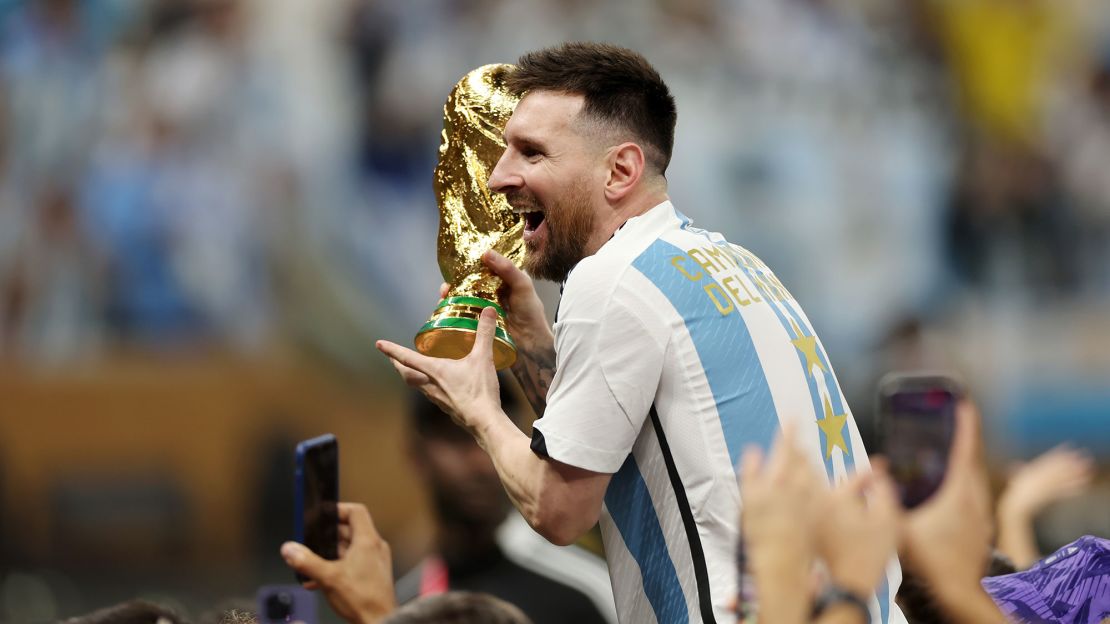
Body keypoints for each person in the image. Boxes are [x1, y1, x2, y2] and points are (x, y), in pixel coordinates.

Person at [376, 42, 905, 623]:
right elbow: (599, 436)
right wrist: (530, 336)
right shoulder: (731, 262)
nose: (501, 177)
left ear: (620, 170)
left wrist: (477, 406)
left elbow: (561, 510)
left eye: (530, 152)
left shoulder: (611, 279)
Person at [393, 389, 616, 624]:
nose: (481, 464)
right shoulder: (409, 601)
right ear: (417, 455)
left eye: (488, 437)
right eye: (456, 437)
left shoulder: (580, 586)